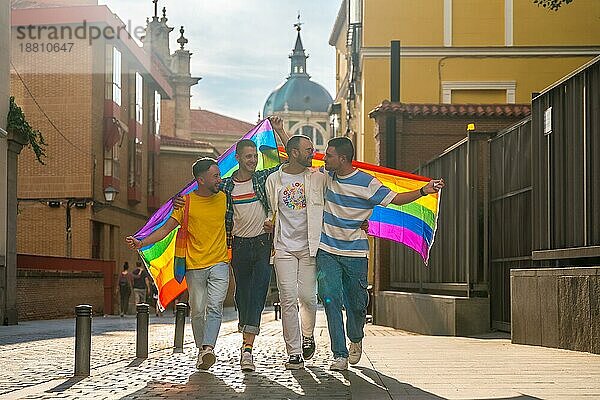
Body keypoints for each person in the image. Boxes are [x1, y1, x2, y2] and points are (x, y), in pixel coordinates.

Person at [317, 137, 445, 371]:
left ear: (342, 159)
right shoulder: (325, 176)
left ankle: (355, 337)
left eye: (329, 155)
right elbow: (300, 158)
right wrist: (281, 131)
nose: (324, 158)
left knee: (356, 304)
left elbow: (396, 199)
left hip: (355, 253)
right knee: (331, 300)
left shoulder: (367, 183)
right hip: (326, 250)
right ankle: (339, 354)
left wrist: (424, 190)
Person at [173, 116, 289, 372]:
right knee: (242, 295)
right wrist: (177, 201)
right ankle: (234, 335)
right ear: (237, 158)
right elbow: (197, 192)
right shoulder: (224, 186)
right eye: (248, 156)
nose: (253, 160)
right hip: (237, 247)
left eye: (255, 156)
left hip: (262, 245)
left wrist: (280, 130)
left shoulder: (263, 179)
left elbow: (290, 160)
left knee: (258, 293)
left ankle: (247, 349)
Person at [126, 157, 229, 371]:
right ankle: (202, 350)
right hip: (194, 266)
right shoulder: (186, 203)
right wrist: (141, 242)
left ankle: (208, 347)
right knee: (198, 310)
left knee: (215, 307)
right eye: (215, 176)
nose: (220, 179)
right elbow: (165, 230)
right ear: (200, 180)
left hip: (220, 262)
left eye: (220, 175)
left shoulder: (225, 197)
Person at [264, 135, 323, 369]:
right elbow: (271, 209)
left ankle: (307, 335)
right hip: (283, 247)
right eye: (308, 150)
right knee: (287, 298)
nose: (313, 153)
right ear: (295, 153)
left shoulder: (318, 177)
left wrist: (358, 220)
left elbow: (339, 198)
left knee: (308, 298)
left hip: (310, 246)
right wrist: (269, 222)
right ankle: (294, 351)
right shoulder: (273, 180)